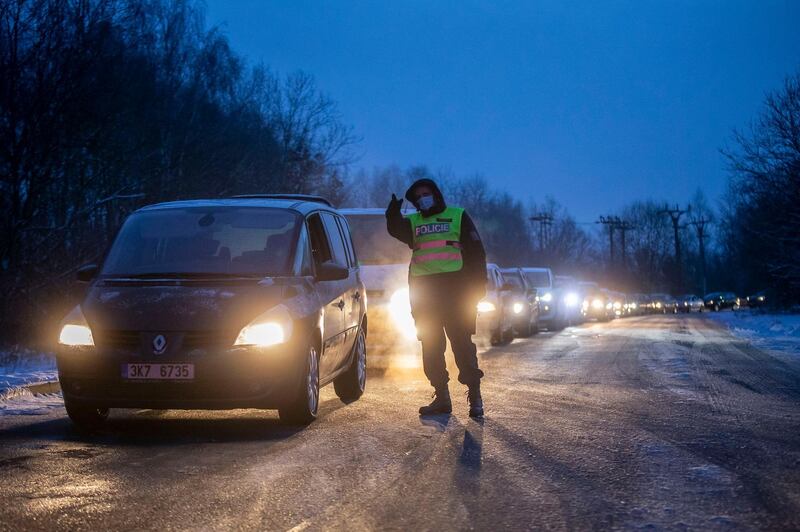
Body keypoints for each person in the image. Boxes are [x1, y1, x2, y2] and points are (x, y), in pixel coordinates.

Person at [385, 178, 487, 417]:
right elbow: (396, 229)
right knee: (431, 347)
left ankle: (475, 395)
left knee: (462, 345)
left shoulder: (458, 215)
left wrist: (478, 286)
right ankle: (441, 396)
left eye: (426, 193)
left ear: (436, 194)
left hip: (457, 293)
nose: (422, 198)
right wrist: (391, 214)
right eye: (418, 196)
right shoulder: (414, 222)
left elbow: (476, 252)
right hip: (425, 296)